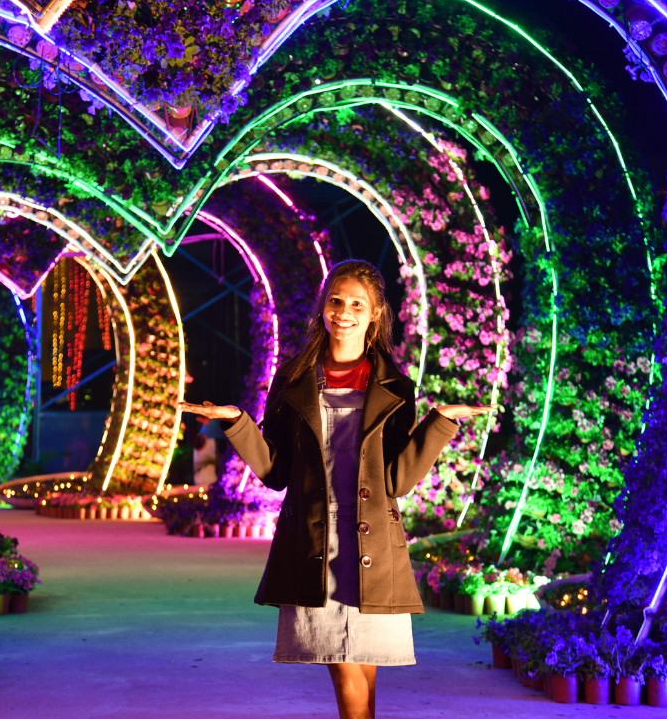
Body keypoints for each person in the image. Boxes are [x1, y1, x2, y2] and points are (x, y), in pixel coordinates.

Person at [180, 259, 493, 719]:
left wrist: (438, 425)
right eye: (336, 301)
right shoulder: (293, 380)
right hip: (314, 543)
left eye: (357, 305)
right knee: (347, 676)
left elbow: (397, 480)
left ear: (375, 314)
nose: (344, 312)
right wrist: (238, 424)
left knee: (364, 677)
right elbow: (276, 472)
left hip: (374, 547)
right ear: (324, 307)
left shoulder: (395, 388)